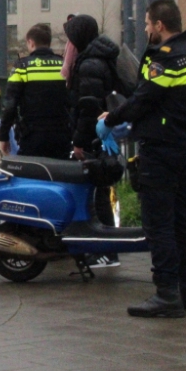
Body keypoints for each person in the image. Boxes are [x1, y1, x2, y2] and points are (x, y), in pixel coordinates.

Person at [102, 0, 186, 318]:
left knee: (159, 225)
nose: (147, 29)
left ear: (160, 25)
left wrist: (110, 118)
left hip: (162, 150)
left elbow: (142, 100)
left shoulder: (163, 59)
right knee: (182, 221)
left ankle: (166, 295)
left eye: (149, 24)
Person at [65, 14, 121, 268]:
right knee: (100, 192)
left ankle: (106, 251)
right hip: (100, 137)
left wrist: (78, 141)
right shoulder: (99, 58)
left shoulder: (89, 64)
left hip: (94, 140)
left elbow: (88, 108)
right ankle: (105, 248)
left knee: (98, 194)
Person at [0, 24, 70, 159]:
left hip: (31, 136)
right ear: (49, 43)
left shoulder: (22, 67)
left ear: (30, 43)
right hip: (61, 135)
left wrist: (3, 136)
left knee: (32, 175)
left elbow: (9, 106)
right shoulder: (63, 65)